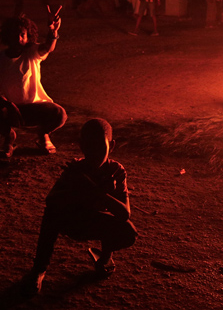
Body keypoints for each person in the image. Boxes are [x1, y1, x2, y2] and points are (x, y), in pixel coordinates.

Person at [21, 118, 137, 297]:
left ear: (111, 146)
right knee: (51, 213)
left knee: (127, 231)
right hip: (74, 222)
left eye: (101, 147)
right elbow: (50, 201)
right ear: (82, 146)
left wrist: (99, 193)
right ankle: (39, 269)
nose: (95, 153)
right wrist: (76, 189)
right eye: (89, 147)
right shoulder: (75, 170)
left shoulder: (115, 171)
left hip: (96, 222)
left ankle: (105, 259)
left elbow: (124, 214)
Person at [0, 11, 66, 156]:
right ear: (6, 35)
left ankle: (43, 135)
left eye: (22, 34)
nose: (18, 38)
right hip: (11, 110)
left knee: (59, 114)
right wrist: (8, 105)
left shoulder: (32, 53)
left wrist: (53, 31)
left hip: (36, 107)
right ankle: (9, 137)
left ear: (28, 37)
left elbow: (48, 47)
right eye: (14, 34)